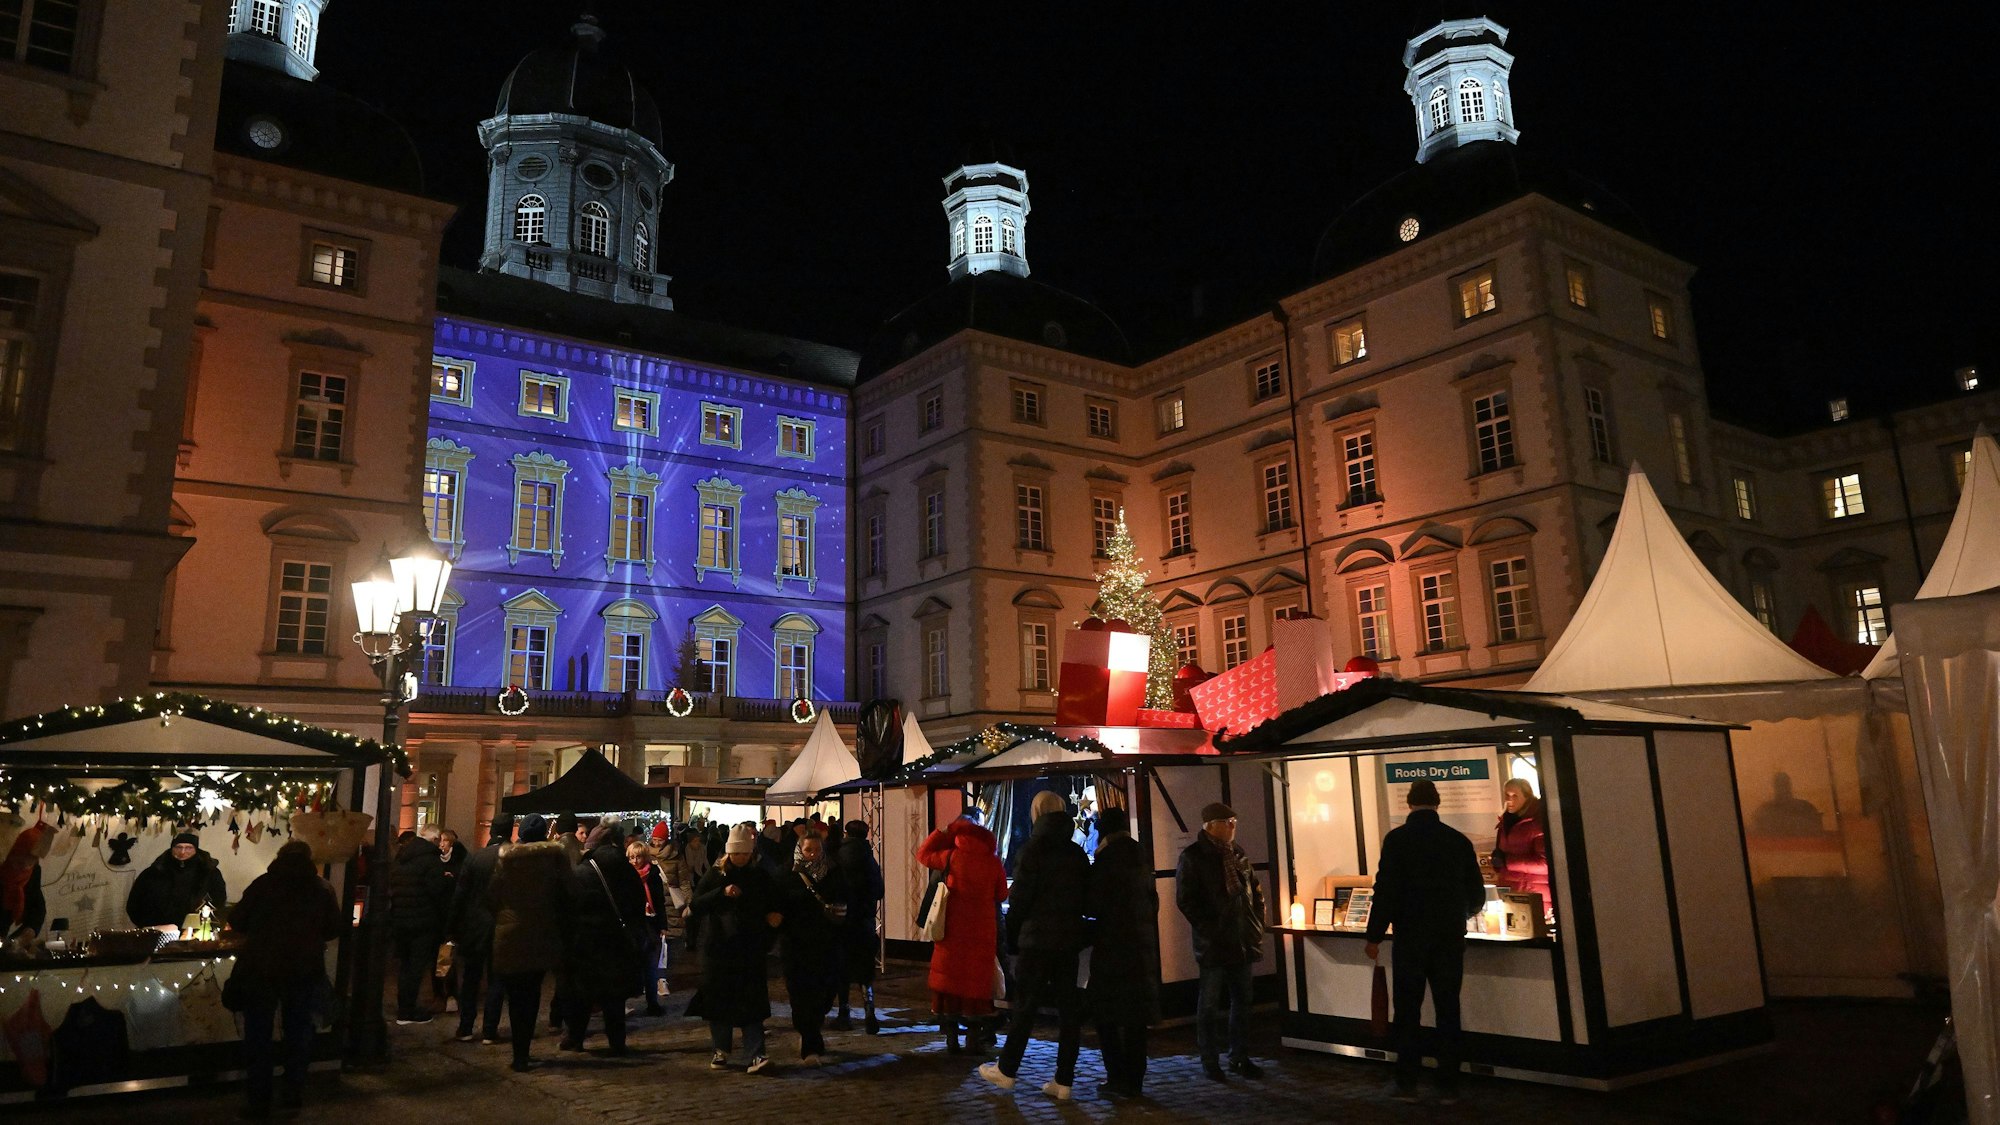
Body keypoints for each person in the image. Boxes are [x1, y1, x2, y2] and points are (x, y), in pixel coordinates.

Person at [1365, 779, 1486, 1104]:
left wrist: (1374, 935)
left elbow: (1386, 891)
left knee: (1407, 1011)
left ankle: (1407, 1082)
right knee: (1448, 1009)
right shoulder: (1458, 840)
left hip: (1410, 938)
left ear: (1409, 803)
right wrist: (1460, 914)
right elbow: (1477, 894)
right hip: (1448, 938)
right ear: (1437, 803)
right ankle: (1448, 1085)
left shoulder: (1397, 840)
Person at [982, 790, 1090, 1102]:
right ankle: (1064, 1079)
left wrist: (1013, 935)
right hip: (1067, 940)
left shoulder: (1032, 850)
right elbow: (1085, 896)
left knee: (1026, 1007)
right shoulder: (1076, 852)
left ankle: (1007, 1069)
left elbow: (1020, 899)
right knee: (1069, 1010)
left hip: (1037, 939)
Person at [229, 841, 341, 1120]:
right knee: (299, 1032)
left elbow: (238, 919)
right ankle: (292, 1095)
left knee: (259, 1035)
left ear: (279, 857)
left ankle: (259, 1100)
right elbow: (333, 928)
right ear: (308, 859)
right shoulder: (321, 888)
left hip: (262, 968)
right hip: (304, 969)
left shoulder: (263, 884)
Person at [1175, 802, 1266, 1082]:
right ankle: (1210, 1060)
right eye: (1228, 822)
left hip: (1241, 938)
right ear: (1211, 825)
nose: (1233, 826)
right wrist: (1210, 928)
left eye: (1234, 821)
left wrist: (1256, 924)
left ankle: (1239, 1056)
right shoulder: (1193, 857)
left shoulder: (1237, 853)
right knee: (1209, 1004)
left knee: (1243, 1001)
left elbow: (1255, 891)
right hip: (1214, 942)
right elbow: (1186, 900)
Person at [690, 823, 784, 1074]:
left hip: (749, 948)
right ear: (728, 852)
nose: (741, 857)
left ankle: (756, 1054)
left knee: (751, 1003)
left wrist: (773, 917)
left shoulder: (760, 875)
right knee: (719, 1000)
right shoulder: (715, 875)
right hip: (719, 948)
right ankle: (721, 1049)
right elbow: (696, 904)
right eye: (737, 853)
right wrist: (721, 893)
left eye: (745, 853)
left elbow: (773, 903)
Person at [915, 813, 1007, 1059]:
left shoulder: (951, 857)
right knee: (976, 986)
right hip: (981, 931)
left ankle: (952, 1039)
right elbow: (1001, 894)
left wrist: (944, 831)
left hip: (952, 930)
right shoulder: (992, 862)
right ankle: (973, 1041)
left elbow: (922, 854)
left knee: (951, 983)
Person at [486, 814, 572, 1072]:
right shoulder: (555, 860)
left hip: (510, 935)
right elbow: (569, 894)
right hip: (542, 933)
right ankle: (523, 1052)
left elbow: (491, 897)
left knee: (515, 995)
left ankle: (519, 1054)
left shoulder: (507, 860)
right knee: (532, 993)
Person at [1088, 806, 1159, 1099]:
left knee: (1106, 1015)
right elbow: (1153, 903)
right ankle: (1135, 1080)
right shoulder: (1140, 856)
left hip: (1112, 948)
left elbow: (1093, 904)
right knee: (1135, 1020)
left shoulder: (1106, 861)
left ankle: (1117, 1077)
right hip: (1140, 948)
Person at [562, 822, 646, 1055]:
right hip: (618, 941)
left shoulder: (583, 871)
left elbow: (569, 906)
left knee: (582, 994)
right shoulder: (627, 870)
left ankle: (576, 1038)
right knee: (614, 997)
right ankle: (617, 1042)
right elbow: (638, 904)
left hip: (587, 941)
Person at [779, 834, 848, 1064]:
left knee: (824, 994)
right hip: (796, 945)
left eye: (817, 850)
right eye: (808, 850)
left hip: (826, 943)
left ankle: (811, 1032)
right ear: (800, 850)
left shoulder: (833, 871)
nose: (813, 854)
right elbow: (780, 903)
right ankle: (810, 1044)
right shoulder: (788, 874)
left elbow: (844, 897)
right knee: (800, 995)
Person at [448, 817, 511, 1044]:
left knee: (471, 978)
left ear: (492, 832)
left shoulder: (475, 857)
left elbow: (460, 895)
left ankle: (466, 1027)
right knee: (497, 979)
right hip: (502, 924)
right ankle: (490, 1030)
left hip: (474, 925)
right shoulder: (513, 857)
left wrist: (452, 927)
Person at [389, 830, 451, 1025]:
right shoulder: (431, 861)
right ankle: (409, 1010)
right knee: (416, 967)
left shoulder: (401, 859)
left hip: (401, 920)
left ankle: (403, 1008)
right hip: (423, 922)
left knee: (405, 965)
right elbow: (437, 892)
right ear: (434, 839)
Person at [831, 819, 884, 1033]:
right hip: (864, 922)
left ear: (846, 833)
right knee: (865, 970)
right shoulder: (869, 859)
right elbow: (879, 891)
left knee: (841, 969)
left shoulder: (837, 855)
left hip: (843, 921)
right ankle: (869, 1010)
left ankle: (844, 1013)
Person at [126, 831, 227, 928]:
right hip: (158, 929)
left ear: (196, 849)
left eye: (188, 848)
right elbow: (135, 902)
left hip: (196, 930)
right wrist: (146, 925)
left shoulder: (209, 872)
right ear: (172, 848)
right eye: (178, 847)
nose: (182, 852)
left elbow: (219, 900)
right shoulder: (154, 872)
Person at [1489, 778, 1550, 912]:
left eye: (1515, 795)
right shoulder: (1506, 821)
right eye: (1507, 795)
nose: (1509, 800)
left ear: (1527, 796)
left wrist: (1507, 861)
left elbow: (1545, 864)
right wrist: (1497, 862)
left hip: (1532, 892)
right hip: (1509, 893)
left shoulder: (1537, 822)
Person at [626, 837, 669, 1016]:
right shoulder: (626, 875)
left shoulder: (653, 875)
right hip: (632, 924)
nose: (635, 861)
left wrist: (663, 925)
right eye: (631, 857)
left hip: (650, 923)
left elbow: (659, 901)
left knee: (650, 964)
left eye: (638, 857)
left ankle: (652, 1002)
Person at [433, 828, 466, 1011]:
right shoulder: (435, 861)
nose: (441, 844)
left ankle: (451, 993)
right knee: (437, 957)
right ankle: (440, 993)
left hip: (451, 917)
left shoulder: (459, 861)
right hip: (437, 917)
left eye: (444, 841)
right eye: (440, 840)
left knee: (447, 955)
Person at [1, 823, 48, 951]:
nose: (25, 865)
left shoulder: (33, 872)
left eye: (31, 861)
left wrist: (29, 930)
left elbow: (37, 908)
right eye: (20, 861)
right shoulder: (2, 866)